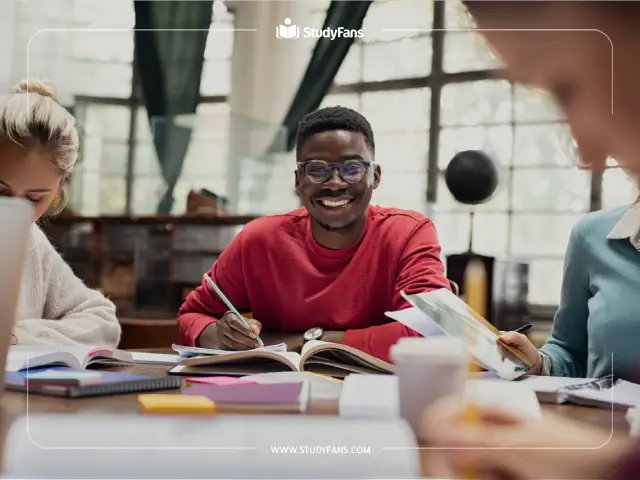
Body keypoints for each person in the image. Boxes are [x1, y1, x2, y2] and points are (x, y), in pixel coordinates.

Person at [423, 2, 640, 478]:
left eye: (567, 88)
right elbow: (571, 355)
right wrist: (538, 363)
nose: (587, 153)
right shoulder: (593, 237)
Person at [177, 106, 450, 362]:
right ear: (298, 179)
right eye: (316, 169)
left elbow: (431, 332)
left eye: (352, 168)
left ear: (375, 176)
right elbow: (193, 314)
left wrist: (313, 341)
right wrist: (220, 336)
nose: (334, 183)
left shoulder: (409, 233)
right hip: (277, 400)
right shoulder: (259, 239)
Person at [0, 79, 121, 347]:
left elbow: (102, 321)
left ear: (59, 188)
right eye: (1, 191)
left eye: (34, 197)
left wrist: (19, 337)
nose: (16, 209)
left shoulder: (31, 242)